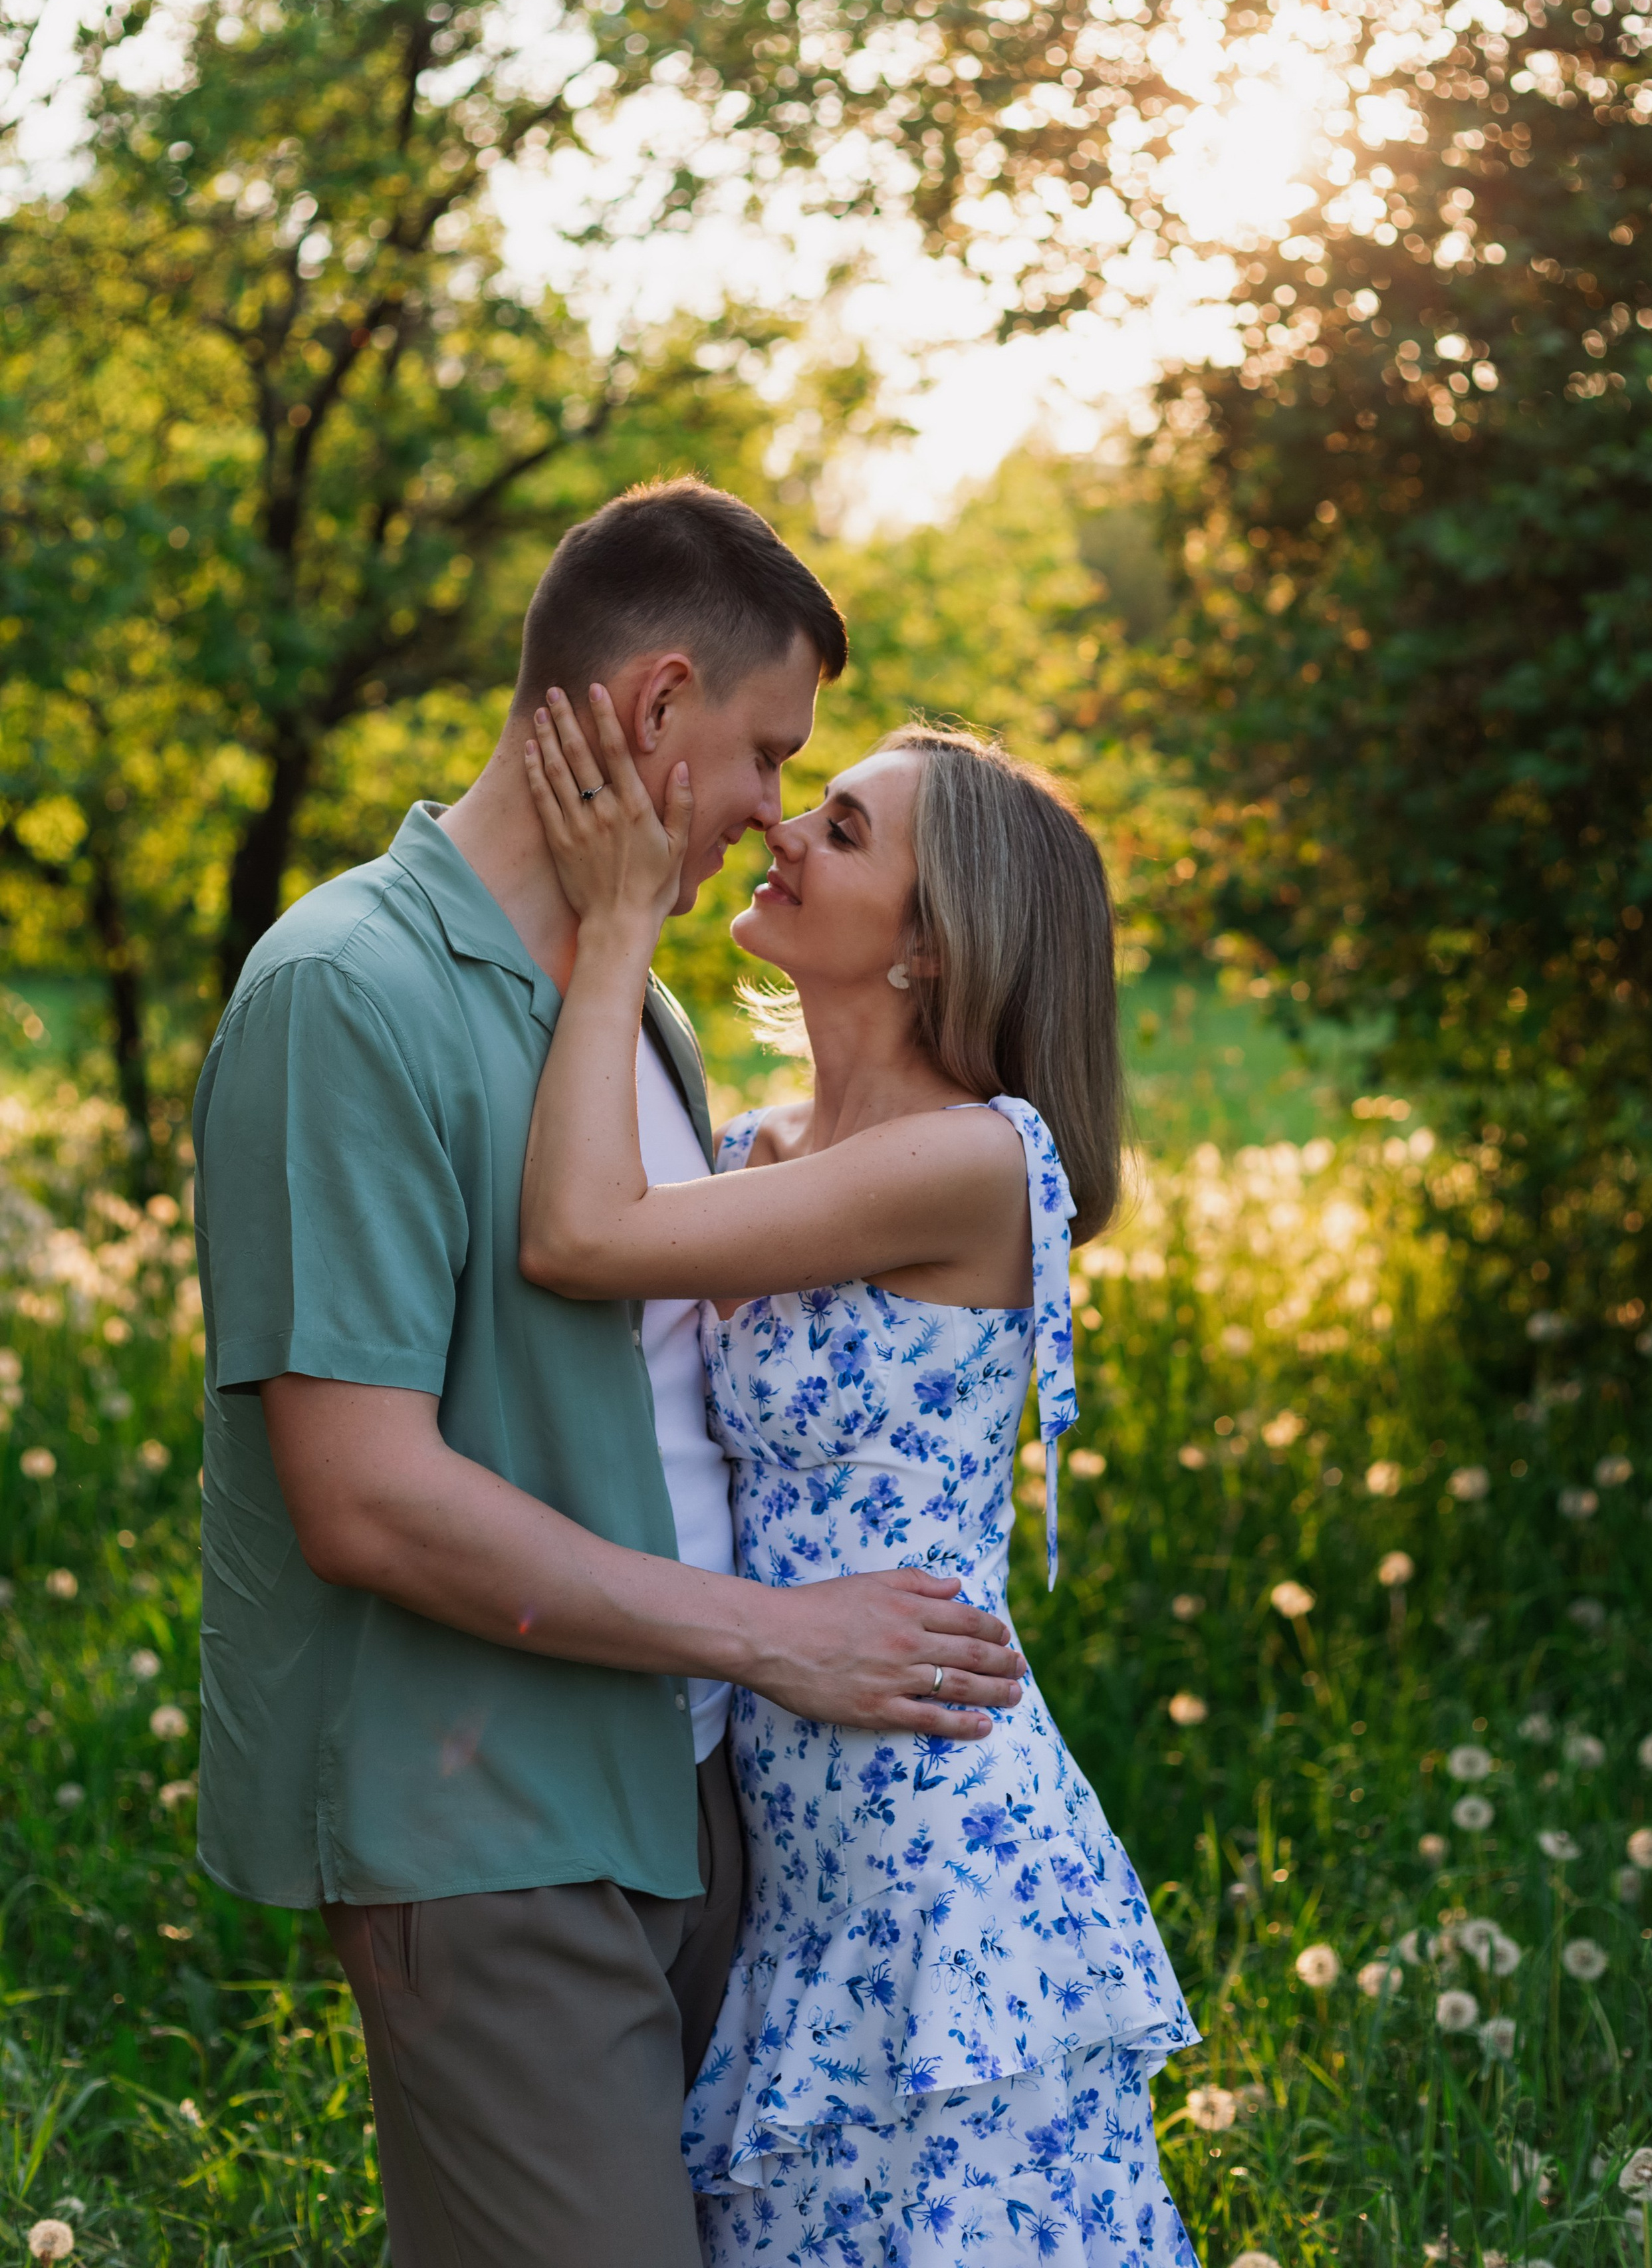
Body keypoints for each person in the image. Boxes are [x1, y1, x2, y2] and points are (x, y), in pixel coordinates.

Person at [190, 478, 1028, 2268]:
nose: (772, 815)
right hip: (490, 1821)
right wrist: (775, 1634)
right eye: (763, 756)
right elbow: (363, 1498)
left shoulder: (625, 995)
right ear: (657, 708)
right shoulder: (346, 988)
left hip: (706, 1800)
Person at [517, 686, 1202, 2266]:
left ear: (932, 944)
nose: (782, 826)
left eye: (841, 829)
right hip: (801, 1850)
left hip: (931, 1836)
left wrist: (623, 917)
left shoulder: (966, 1159)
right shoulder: (757, 1150)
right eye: (801, 799)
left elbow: (579, 1236)